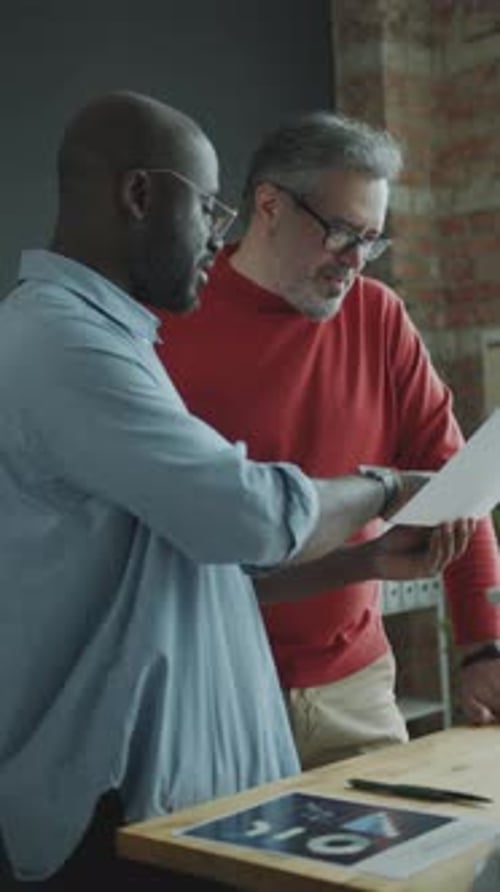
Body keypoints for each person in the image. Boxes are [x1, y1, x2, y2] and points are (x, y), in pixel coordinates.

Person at [0, 93, 471, 890]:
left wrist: (363, 566)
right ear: (141, 195)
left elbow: (196, 567)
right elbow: (246, 516)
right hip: (116, 811)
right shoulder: (63, 344)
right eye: (208, 207)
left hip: (224, 774)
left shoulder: (116, 336)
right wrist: (384, 487)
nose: (217, 237)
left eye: (371, 241)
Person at [157, 110, 500, 772]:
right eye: (343, 234)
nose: (355, 263)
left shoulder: (378, 315)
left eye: (372, 241)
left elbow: (452, 480)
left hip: (357, 687)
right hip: (212, 687)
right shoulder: (166, 321)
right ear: (269, 206)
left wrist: (484, 644)